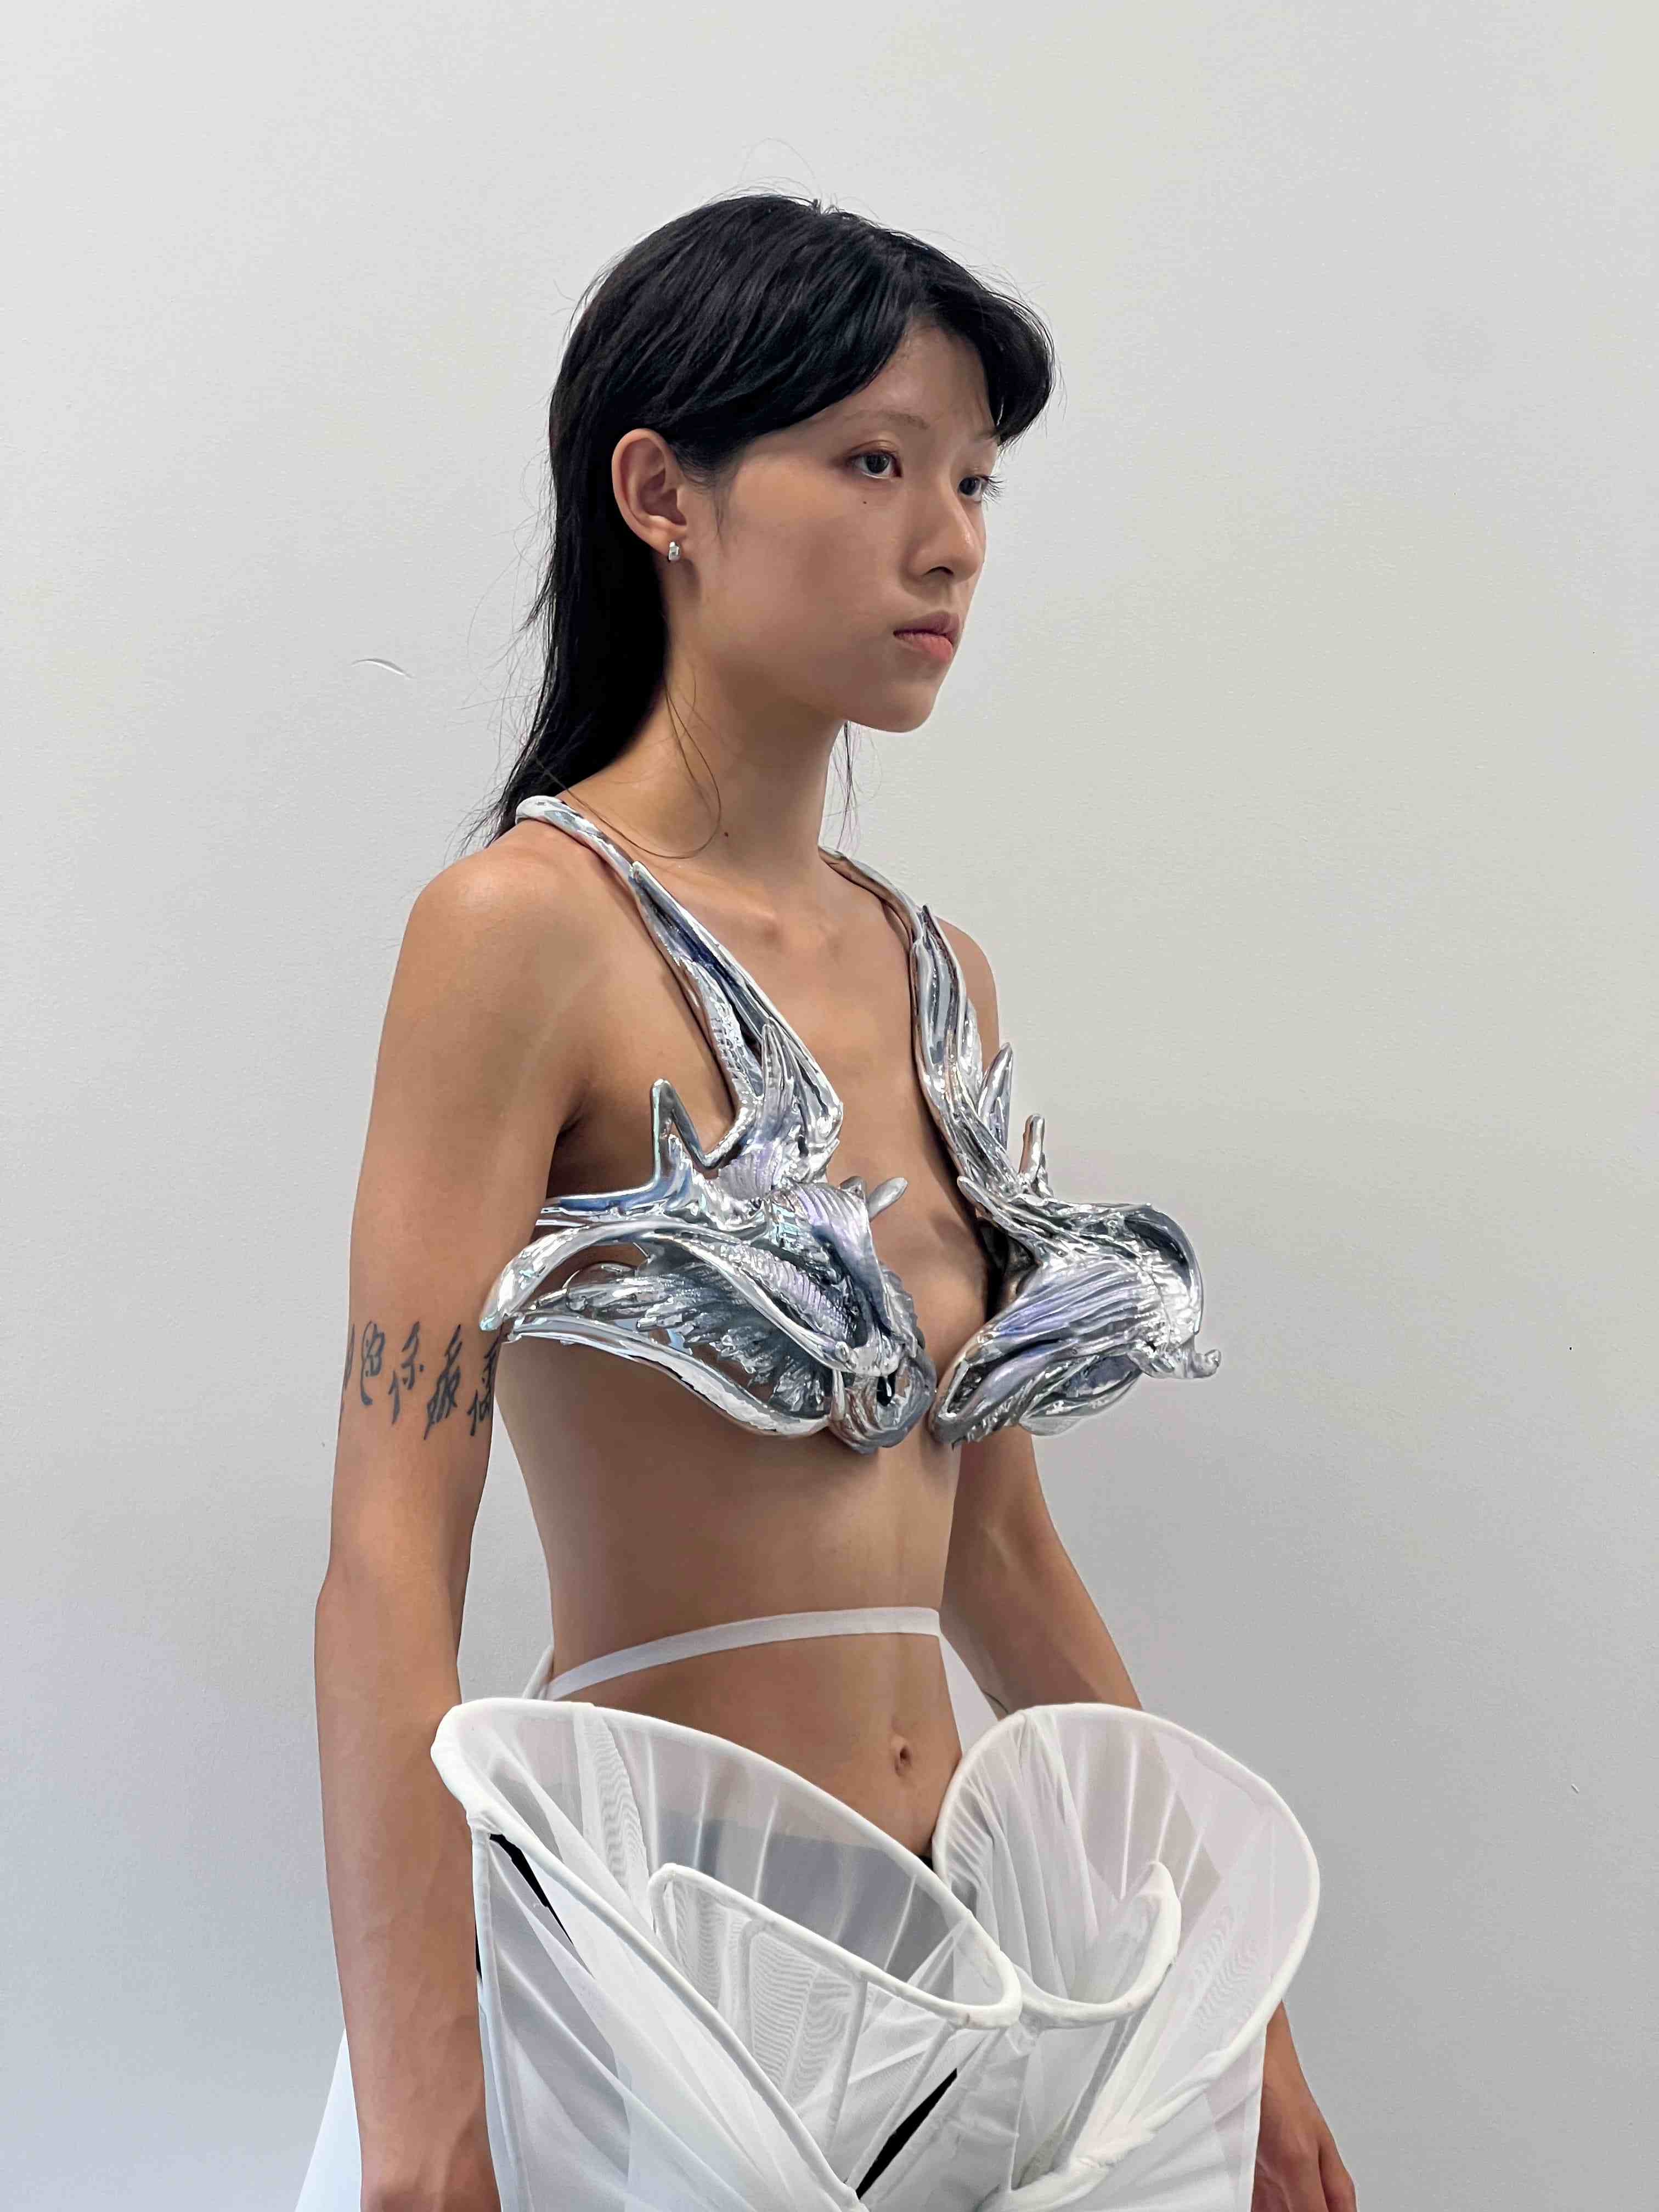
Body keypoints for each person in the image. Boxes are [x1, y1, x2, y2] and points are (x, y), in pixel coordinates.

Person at [298, 189, 1356, 2211]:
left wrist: (1247, 2031)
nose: (948, 539)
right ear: (661, 496)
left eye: (972, 478)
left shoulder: (935, 972)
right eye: (873, 462)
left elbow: (1007, 1556)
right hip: (655, 1991)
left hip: (974, 1986)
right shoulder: (522, 931)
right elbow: (385, 1559)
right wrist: (428, 2125)